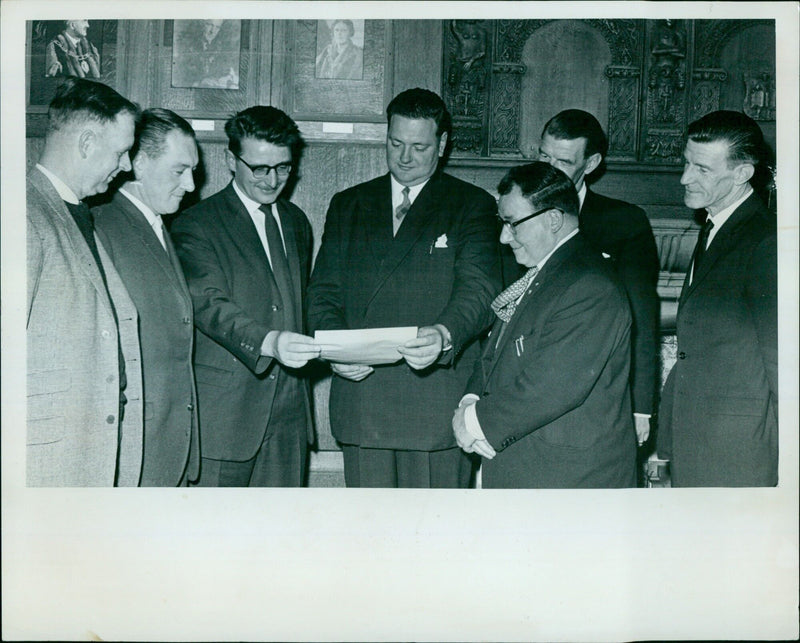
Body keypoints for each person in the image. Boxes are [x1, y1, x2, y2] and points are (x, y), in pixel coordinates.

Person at [307, 88, 502, 488]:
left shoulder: (472, 205)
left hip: (433, 403)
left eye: (419, 146)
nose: (405, 157)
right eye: (396, 143)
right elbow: (323, 291)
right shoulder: (349, 204)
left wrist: (445, 335)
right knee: (371, 541)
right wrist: (335, 350)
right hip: (363, 401)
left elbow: (480, 290)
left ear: (442, 145)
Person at [453, 162, 637, 488]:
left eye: (512, 224)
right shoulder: (548, 271)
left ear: (552, 219)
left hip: (567, 483)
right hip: (532, 470)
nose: (503, 236)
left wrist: (473, 421)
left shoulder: (589, 285)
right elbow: (495, 350)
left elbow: (550, 387)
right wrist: (470, 398)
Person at [171, 106, 319, 487]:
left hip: (289, 419)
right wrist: (269, 342)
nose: (272, 181)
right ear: (230, 160)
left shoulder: (296, 221)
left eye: (283, 167)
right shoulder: (196, 223)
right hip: (227, 419)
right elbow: (207, 304)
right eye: (260, 168)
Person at [27, 77, 142, 486]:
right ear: (88, 143)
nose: (126, 166)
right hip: (45, 463)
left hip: (85, 455)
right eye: (122, 151)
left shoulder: (78, 213)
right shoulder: (23, 214)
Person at [656, 110, 777, 486]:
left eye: (702, 169)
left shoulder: (766, 241)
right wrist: (667, 444)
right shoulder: (715, 228)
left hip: (741, 455)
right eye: (686, 163)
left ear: (742, 173)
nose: (684, 178)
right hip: (699, 446)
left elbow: (784, 367)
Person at [538, 109, 660, 449]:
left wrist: (640, 409)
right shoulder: (508, 215)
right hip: (525, 385)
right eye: (543, 156)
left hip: (594, 393)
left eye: (562, 161)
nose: (547, 171)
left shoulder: (624, 222)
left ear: (590, 164)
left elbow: (641, 319)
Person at [93, 109, 201, 487]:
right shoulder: (103, 225)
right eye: (179, 170)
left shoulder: (157, 225)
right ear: (137, 163)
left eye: (193, 171)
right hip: (134, 449)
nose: (190, 185)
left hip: (171, 445)